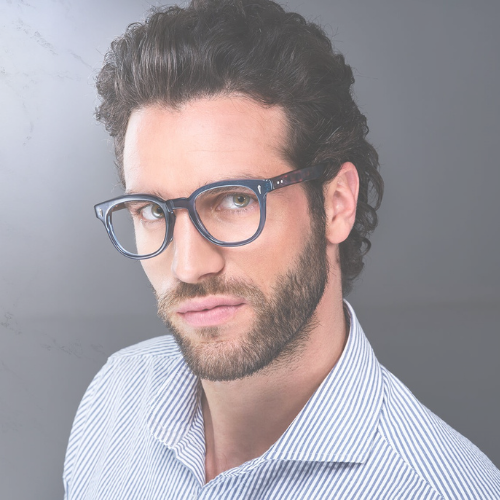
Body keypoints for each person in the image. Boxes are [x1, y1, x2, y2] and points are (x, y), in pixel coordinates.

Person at [63, 0, 500, 498]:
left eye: (235, 200)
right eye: (152, 210)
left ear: (336, 204)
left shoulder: (441, 489)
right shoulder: (116, 397)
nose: (188, 265)